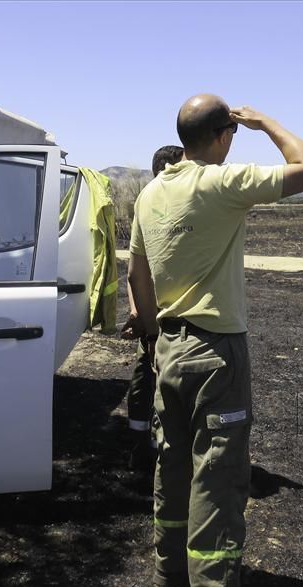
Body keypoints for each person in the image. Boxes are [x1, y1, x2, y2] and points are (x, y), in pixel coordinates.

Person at [128, 94, 303, 587]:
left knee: (171, 461)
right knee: (218, 475)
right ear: (221, 135)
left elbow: (136, 278)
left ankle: (172, 565)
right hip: (216, 351)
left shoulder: (150, 194)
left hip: (167, 347)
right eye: (232, 133)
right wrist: (263, 121)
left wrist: (151, 334)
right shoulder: (220, 183)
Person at [122, 145, 184, 470]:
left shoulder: (184, 208)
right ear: (162, 170)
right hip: (153, 319)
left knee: (169, 382)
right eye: (179, 167)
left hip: (176, 318)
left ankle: (168, 447)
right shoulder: (148, 206)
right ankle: (140, 447)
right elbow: (135, 274)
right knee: (145, 379)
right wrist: (141, 317)